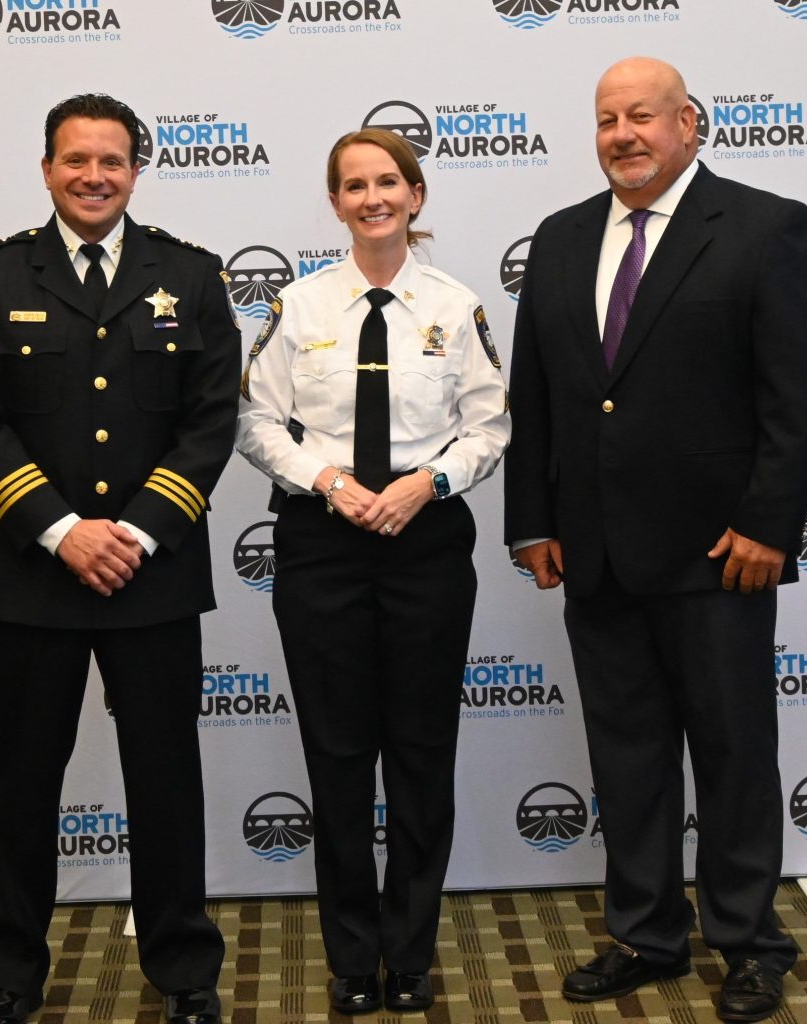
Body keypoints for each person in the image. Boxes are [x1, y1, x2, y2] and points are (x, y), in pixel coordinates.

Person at [504, 57, 807, 1023]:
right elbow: (542, 395)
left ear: (689, 122)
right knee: (628, 757)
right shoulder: (563, 239)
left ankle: (748, 942)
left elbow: (797, 393)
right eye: (607, 119)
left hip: (718, 554)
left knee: (733, 754)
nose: (622, 135)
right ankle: (646, 933)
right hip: (595, 555)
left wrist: (771, 525)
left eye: (641, 116)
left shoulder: (765, 225)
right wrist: (534, 518)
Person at [0, 93, 242, 1024]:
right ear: (46, 169)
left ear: (136, 171)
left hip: (153, 578)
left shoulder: (189, 277)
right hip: (36, 583)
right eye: (77, 160)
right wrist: (66, 532)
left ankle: (185, 974)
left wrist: (137, 531)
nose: (95, 176)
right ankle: (12, 978)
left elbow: (210, 421)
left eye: (113, 161)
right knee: (24, 784)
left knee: (166, 782)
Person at [236, 128, 510, 1014]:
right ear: (335, 203)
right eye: (353, 186)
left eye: (388, 182)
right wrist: (326, 481)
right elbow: (256, 422)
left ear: (416, 195)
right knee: (340, 754)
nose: (373, 198)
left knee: (424, 754)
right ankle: (353, 956)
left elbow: (489, 426)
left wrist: (427, 483)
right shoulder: (300, 306)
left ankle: (412, 952)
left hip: (425, 545)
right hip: (323, 546)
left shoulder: (455, 304)